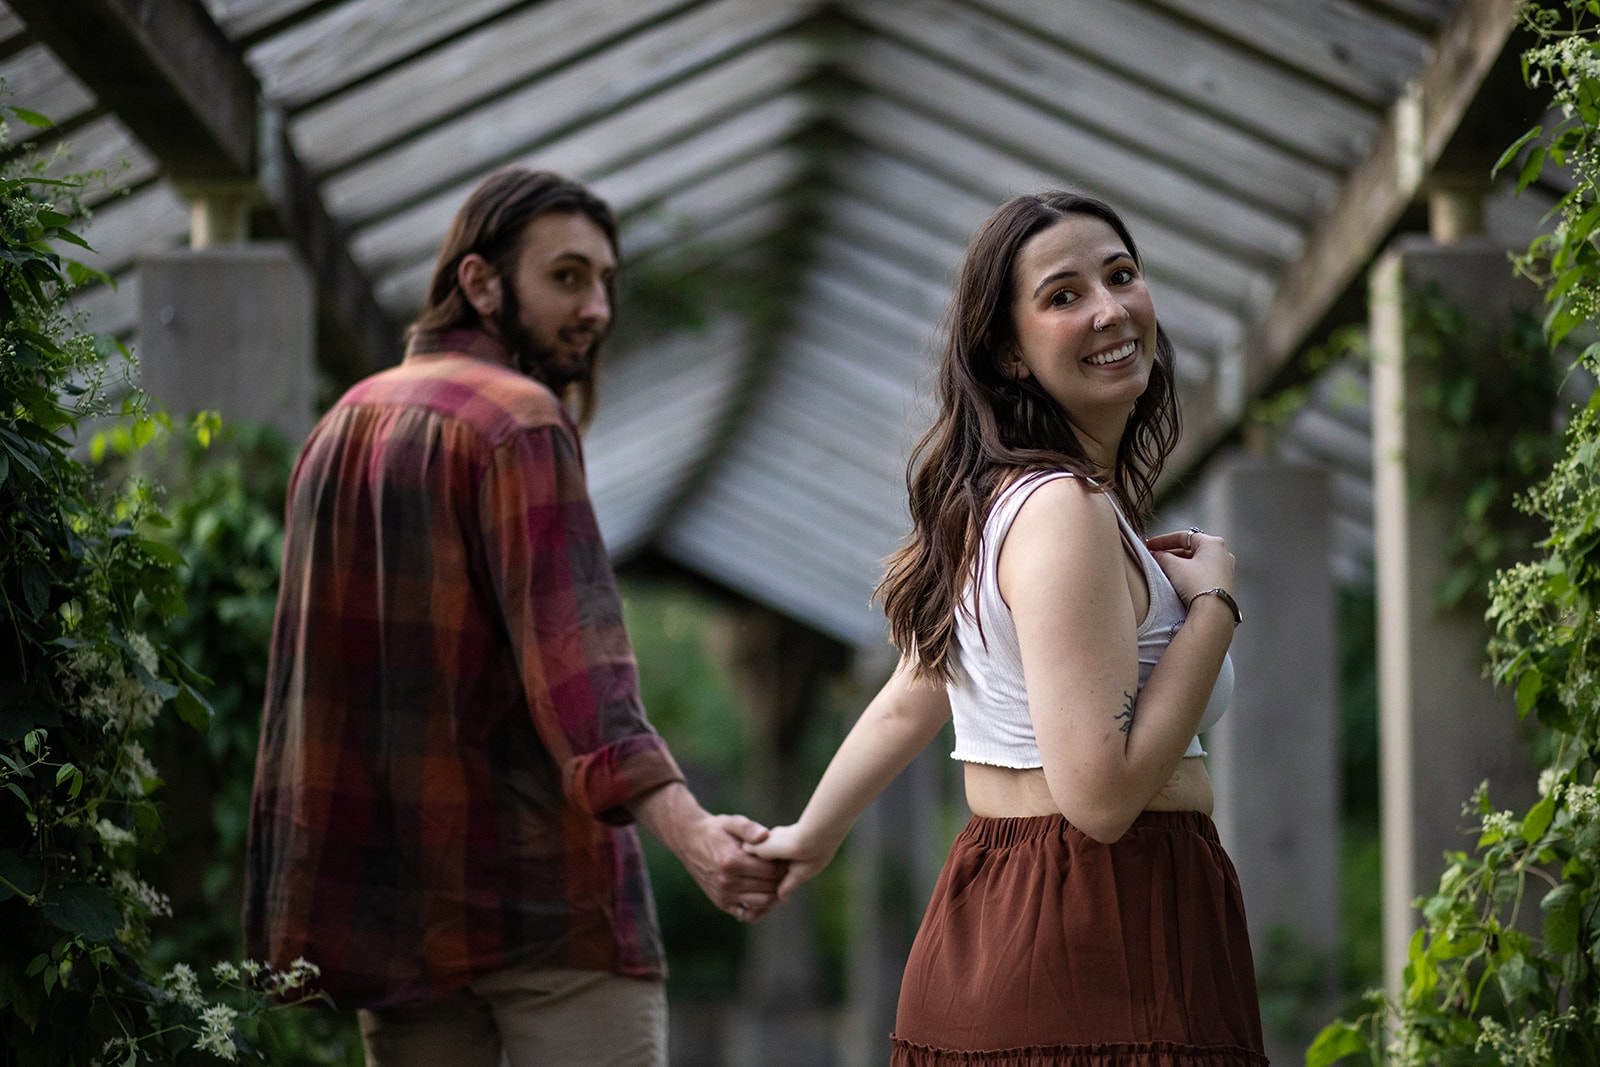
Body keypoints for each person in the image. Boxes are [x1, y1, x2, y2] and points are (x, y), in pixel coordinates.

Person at [242, 166, 783, 1067]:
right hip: (544, 908)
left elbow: (304, 696)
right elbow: (581, 674)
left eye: (604, 281)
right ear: (481, 282)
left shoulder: (338, 428)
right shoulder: (521, 422)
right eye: (567, 277)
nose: (596, 308)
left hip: (397, 917)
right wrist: (694, 833)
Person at [747, 191, 1267, 1065]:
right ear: (1007, 352)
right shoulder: (1062, 508)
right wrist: (1214, 605)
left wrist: (812, 833)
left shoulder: (1002, 504)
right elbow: (1100, 798)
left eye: (1121, 275)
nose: (1110, 309)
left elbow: (916, 693)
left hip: (1017, 919)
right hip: (1102, 933)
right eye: (1064, 295)